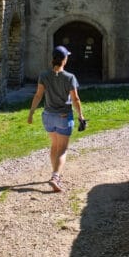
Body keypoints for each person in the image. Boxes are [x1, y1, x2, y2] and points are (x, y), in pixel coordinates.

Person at [27, 45, 86, 192]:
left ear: (53, 59)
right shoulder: (70, 77)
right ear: (64, 60)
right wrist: (81, 116)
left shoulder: (44, 75)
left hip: (47, 116)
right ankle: (56, 176)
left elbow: (38, 95)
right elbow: (76, 99)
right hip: (63, 116)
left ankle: (55, 173)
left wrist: (31, 113)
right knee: (63, 149)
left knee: (54, 145)